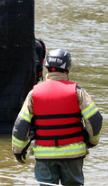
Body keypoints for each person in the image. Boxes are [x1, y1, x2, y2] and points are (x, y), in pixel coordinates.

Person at [12, 48, 102, 186]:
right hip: (74, 154)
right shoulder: (78, 92)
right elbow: (95, 119)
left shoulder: (34, 93)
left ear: (47, 68)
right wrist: (92, 141)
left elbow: (21, 125)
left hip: (44, 155)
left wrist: (18, 151)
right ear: (67, 69)